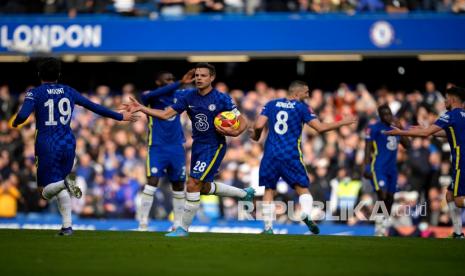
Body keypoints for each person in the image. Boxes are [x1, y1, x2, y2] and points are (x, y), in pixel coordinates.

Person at [126, 63, 255, 237]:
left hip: (214, 146)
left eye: (203, 75)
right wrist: (142, 108)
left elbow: (243, 120)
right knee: (203, 187)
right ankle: (243, 194)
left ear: (212, 78)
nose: (199, 78)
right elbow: (165, 114)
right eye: (197, 75)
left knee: (192, 183)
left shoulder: (221, 98)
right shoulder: (189, 97)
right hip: (197, 146)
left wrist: (236, 131)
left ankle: (182, 229)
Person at [12, 57, 138, 235]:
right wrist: (119, 116)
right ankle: (67, 226)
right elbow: (94, 106)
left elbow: (23, 115)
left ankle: (64, 184)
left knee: (45, 191)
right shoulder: (69, 91)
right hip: (68, 142)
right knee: (58, 185)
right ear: (59, 75)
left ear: (40, 74)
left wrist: (16, 123)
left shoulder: (36, 92)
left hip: (47, 143)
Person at [250, 80, 357, 234]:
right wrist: (343, 122)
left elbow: (258, 126)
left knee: (269, 189)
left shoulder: (271, 104)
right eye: (306, 92)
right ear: (296, 92)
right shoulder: (302, 108)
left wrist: (256, 136)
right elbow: (320, 128)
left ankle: (268, 228)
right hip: (290, 154)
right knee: (302, 188)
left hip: (270, 155)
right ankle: (306, 214)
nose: (308, 95)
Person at [386, 86, 465, 239]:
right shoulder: (462, 116)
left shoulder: (451, 115)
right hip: (461, 160)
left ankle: (457, 233)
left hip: (461, 161)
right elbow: (448, 133)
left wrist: (401, 132)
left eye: (447, 97)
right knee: (449, 196)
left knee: (459, 200)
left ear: (453, 99)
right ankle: (457, 233)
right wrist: (427, 129)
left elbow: (425, 133)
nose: (445, 101)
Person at [138, 69, 194, 231]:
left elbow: (198, 93)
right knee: (152, 183)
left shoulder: (181, 95)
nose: (170, 82)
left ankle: (177, 224)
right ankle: (143, 223)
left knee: (178, 185)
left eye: (172, 79)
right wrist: (180, 82)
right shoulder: (150, 96)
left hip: (177, 147)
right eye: (167, 79)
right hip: (157, 147)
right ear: (158, 82)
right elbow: (149, 96)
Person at [363, 104, 410, 236]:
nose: (388, 116)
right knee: (381, 194)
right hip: (378, 167)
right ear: (381, 116)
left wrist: (401, 130)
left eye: (389, 113)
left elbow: (407, 145)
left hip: (392, 168)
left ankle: (384, 224)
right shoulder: (374, 128)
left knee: (390, 198)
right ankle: (379, 227)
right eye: (385, 114)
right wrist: (366, 166)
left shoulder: (395, 128)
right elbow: (367, 148)